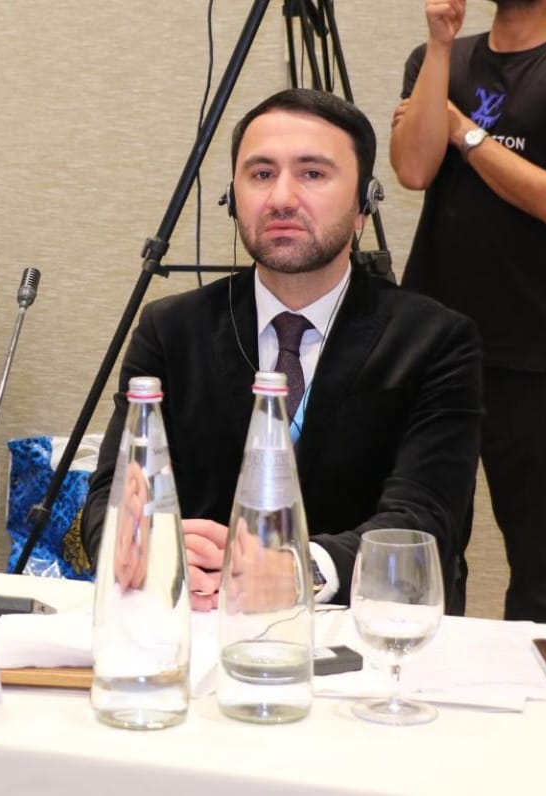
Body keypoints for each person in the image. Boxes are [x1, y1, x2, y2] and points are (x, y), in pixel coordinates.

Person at [81, 88, 483, 613]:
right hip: (204, 624)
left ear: (364, 205)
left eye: (312, 173)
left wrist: (296, 571)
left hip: (366, 632)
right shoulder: (170, 329)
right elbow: (111, 499)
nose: (282, 198)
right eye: (261, 173)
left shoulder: (435, 341)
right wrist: (155, 551)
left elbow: (424, 521)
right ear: (233, 199)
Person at [390, 0, 546, 624]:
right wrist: (440, 43)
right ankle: (423, 669)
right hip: (433, 343)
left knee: (539, 556)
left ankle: (539, 683)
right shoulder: (437, 58)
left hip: (531, 347)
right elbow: (413, 169)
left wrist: (463, 129)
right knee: (429, 544)